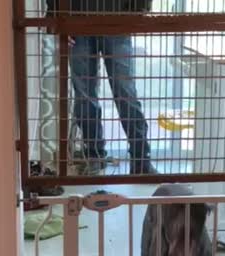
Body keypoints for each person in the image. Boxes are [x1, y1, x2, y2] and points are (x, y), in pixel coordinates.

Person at [46, 0, 158, 175]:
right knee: (85, 97)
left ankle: (141, 160)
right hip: (77, 22)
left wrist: (138, 12)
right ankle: (94, 157)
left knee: (125, 93)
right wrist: (57, 17)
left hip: (117, 20)